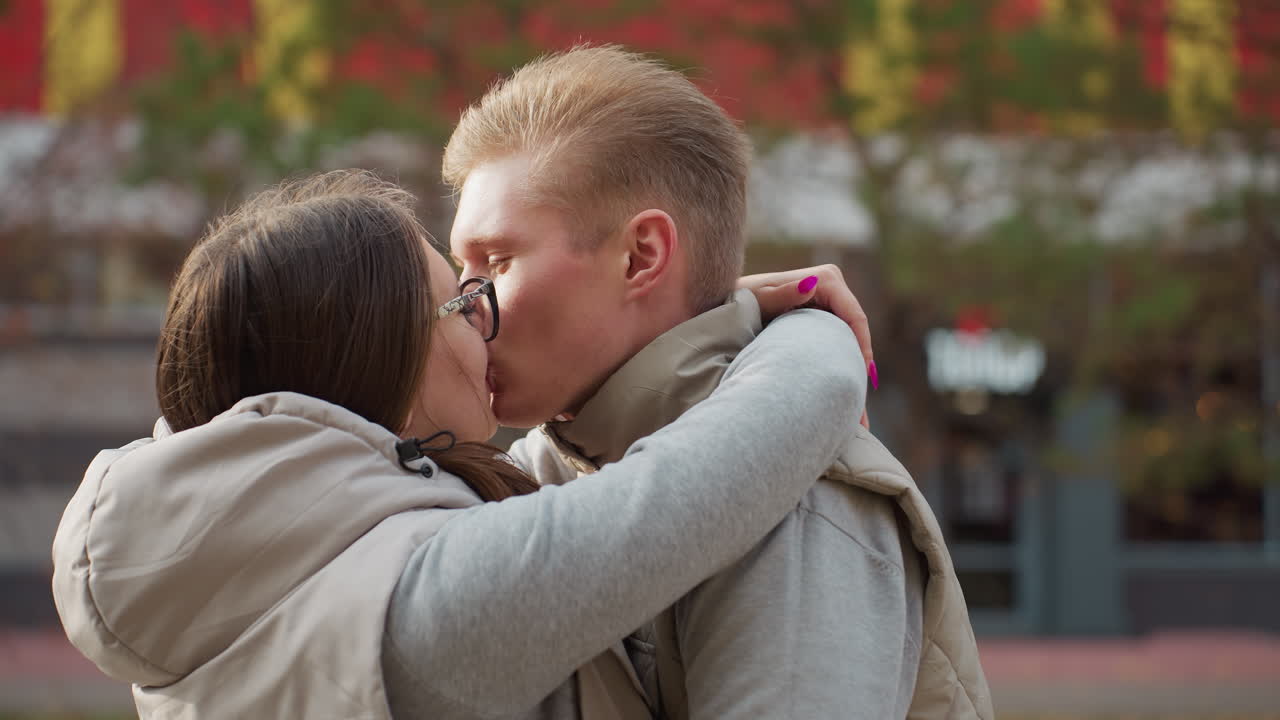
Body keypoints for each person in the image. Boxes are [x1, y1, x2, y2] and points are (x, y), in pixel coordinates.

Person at [50, 170, 870, 719]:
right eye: (462, 303)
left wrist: (686, 316)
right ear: (379, 361)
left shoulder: (243, 583)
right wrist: (808, 324)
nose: (489, 327)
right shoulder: (421, 609)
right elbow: (717, 472)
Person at [444, 46, 994, 719]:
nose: (466, 305)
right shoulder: (545, 473)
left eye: (496, 263)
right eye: (458, 269)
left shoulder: (799, 505)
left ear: (641, 256)